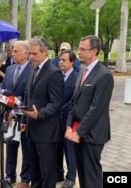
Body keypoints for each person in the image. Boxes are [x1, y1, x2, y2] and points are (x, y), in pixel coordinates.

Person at [65, 35, 114, 188]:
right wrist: (68, 125)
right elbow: (74, 102)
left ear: (94, 51)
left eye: (82, 49)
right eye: (78, 48)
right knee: (83, 176)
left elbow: (96, 109)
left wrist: (79, 132)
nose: (78, 52)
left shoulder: (104, 75)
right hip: (77, 132)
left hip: (92, 135)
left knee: (92, 177)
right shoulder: (82, 72)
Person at [20, 36, 64, 188]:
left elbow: (56, 103)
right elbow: (28, 96)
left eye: (34, 54)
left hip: (47, 134)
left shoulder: (54, 73)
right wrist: (24, 121)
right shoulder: (33, 69)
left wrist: (39, 114)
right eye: (30, 53)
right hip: (32, 130)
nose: (31, 57)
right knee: (35, 172)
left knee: (47, 174)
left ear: (45, 53)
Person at [1, 40, 31, 188]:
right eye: (13, 51)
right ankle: (9, 175)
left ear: (26, 53)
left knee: (26, 149)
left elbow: (30, 96)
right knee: (10, 146)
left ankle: (25, 179)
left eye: (16, 51)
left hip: (24, 116)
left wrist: (17, 110)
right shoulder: (10, 69)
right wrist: (7, 110)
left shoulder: (33, 70)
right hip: (9, 116)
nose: (13, 53)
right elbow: (4, 89)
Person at [57, 50, 78, 188]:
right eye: (60, 60)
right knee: (57, 147)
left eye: (64, 60)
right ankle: (58, 173)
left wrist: (59, 108)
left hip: (68, 119)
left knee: (69, 149)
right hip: (55, 120)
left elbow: (74, 101)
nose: (61, 63)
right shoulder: (57, 76)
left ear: (72, 62)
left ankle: (71, 177)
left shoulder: (77, 78)